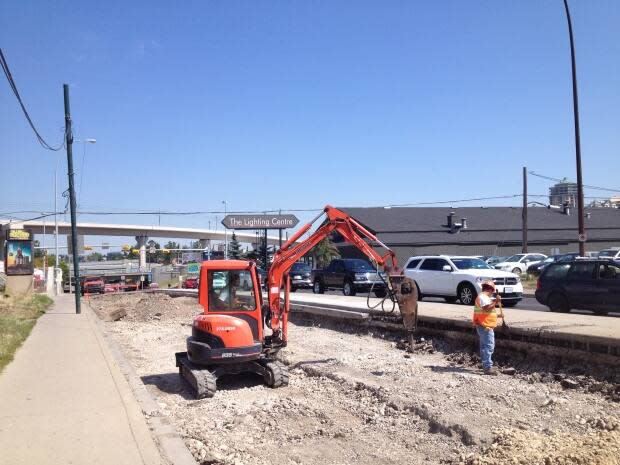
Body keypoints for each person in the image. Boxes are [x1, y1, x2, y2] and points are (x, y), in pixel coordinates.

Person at [473, 280, 502, 375]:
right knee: (489, 346)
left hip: (483, 324)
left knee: (484, 346)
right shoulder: (483, 297)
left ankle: (486, 365)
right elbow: (486, 308)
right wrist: (496, 301)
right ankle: (488, 367)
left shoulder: (483, 297)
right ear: (490, 289)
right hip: (485, 326)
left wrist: (497, 315)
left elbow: (486, 313)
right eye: (492, 292)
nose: (492, 294)